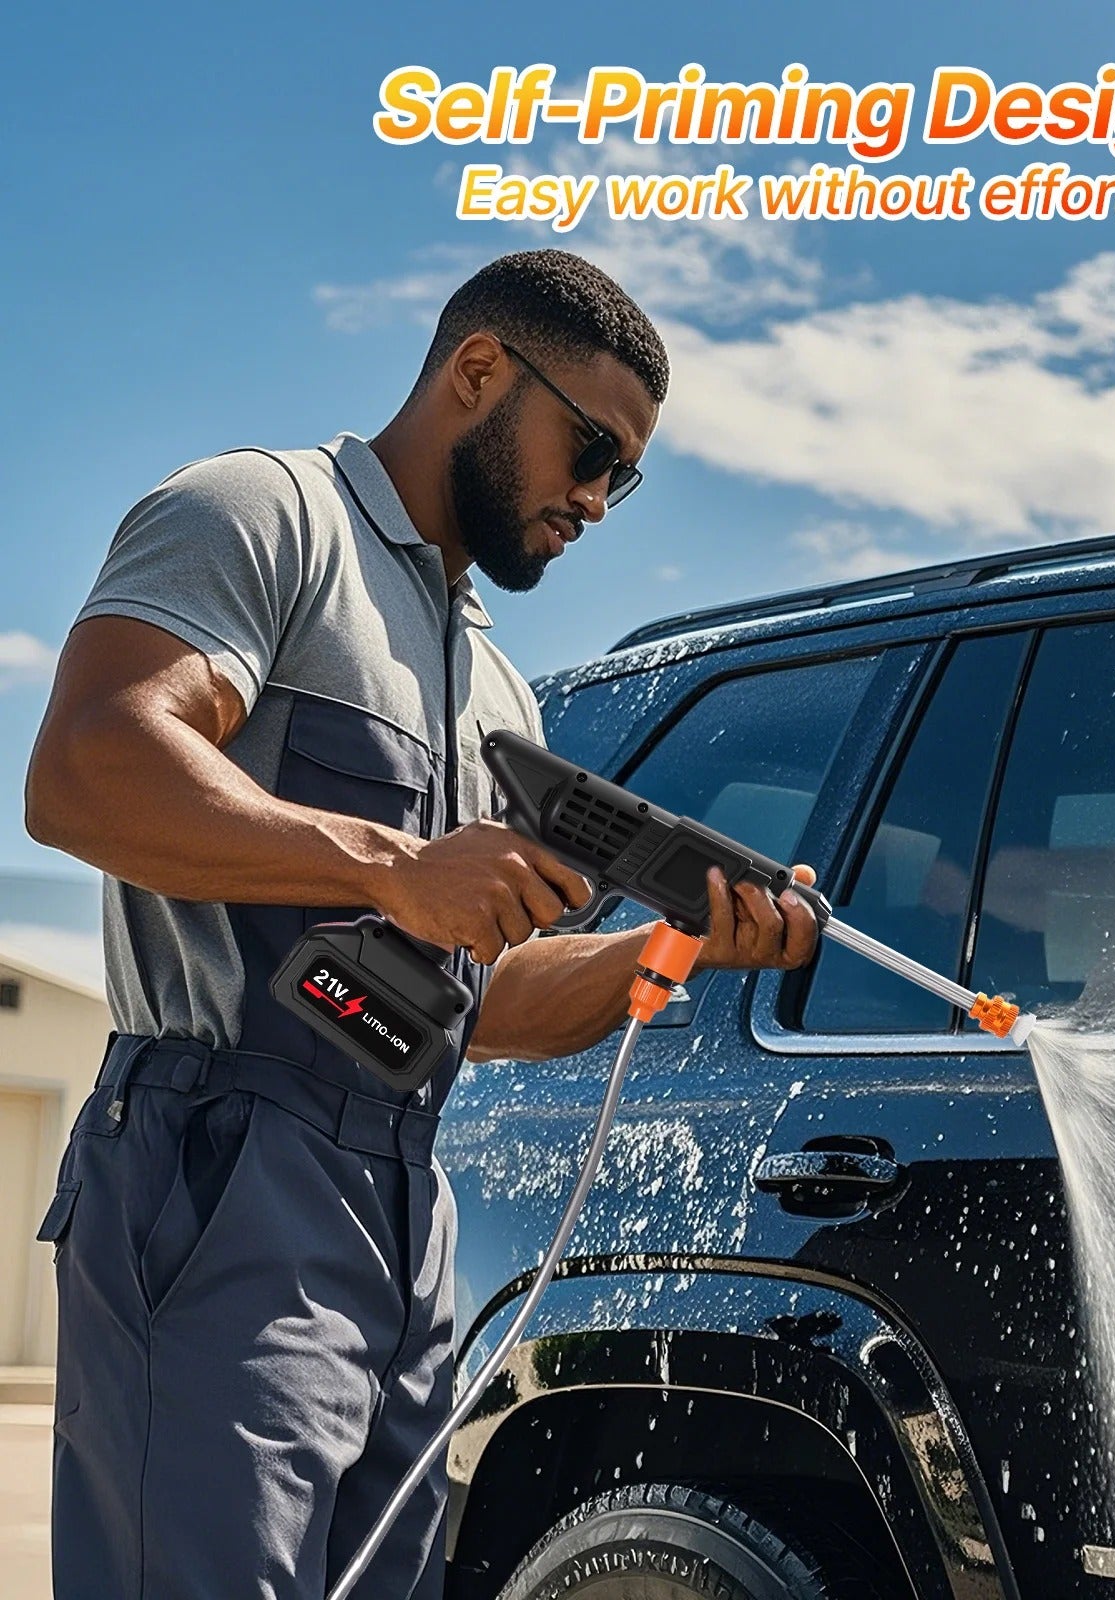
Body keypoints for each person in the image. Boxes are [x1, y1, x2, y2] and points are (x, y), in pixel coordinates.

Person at [23, 249, 820, 1600]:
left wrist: (669, 951)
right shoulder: (265, 517)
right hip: (219, 1164)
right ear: (477, 371)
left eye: (627, 480)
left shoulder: (500, 692)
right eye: (592, 452)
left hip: (405, 1197)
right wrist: (396, 864)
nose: (597, 501)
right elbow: (87, 767)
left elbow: (472, 1006)